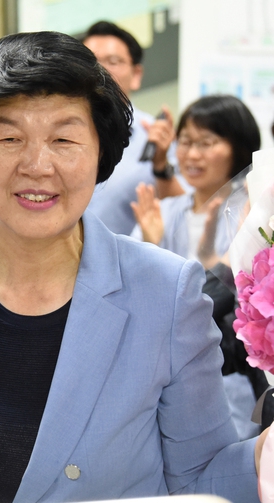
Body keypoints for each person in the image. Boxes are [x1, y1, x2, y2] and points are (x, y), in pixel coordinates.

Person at [0, 31, 267, 503]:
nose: (36, 165)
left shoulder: (166, 293)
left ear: (100, 154)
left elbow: (201, 474)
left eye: (64, 139)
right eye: (9, 137)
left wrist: (264, 455)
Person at [131, 94, 266, 440]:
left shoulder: (253, 211)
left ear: (238, 147)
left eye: (207, 143)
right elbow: (136, 298)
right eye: (186, 142)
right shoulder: (164, 210)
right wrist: (149, 243)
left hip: (231, 375)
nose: (192, 154)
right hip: (163, 374)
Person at [82, 21, 184, 235]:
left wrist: (161, 165)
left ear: (136, 74)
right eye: (90, 61)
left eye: (113, 61)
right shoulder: (57, 131)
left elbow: (186, 212)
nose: (100, 70)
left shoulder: (156, 137)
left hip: (124, 264)